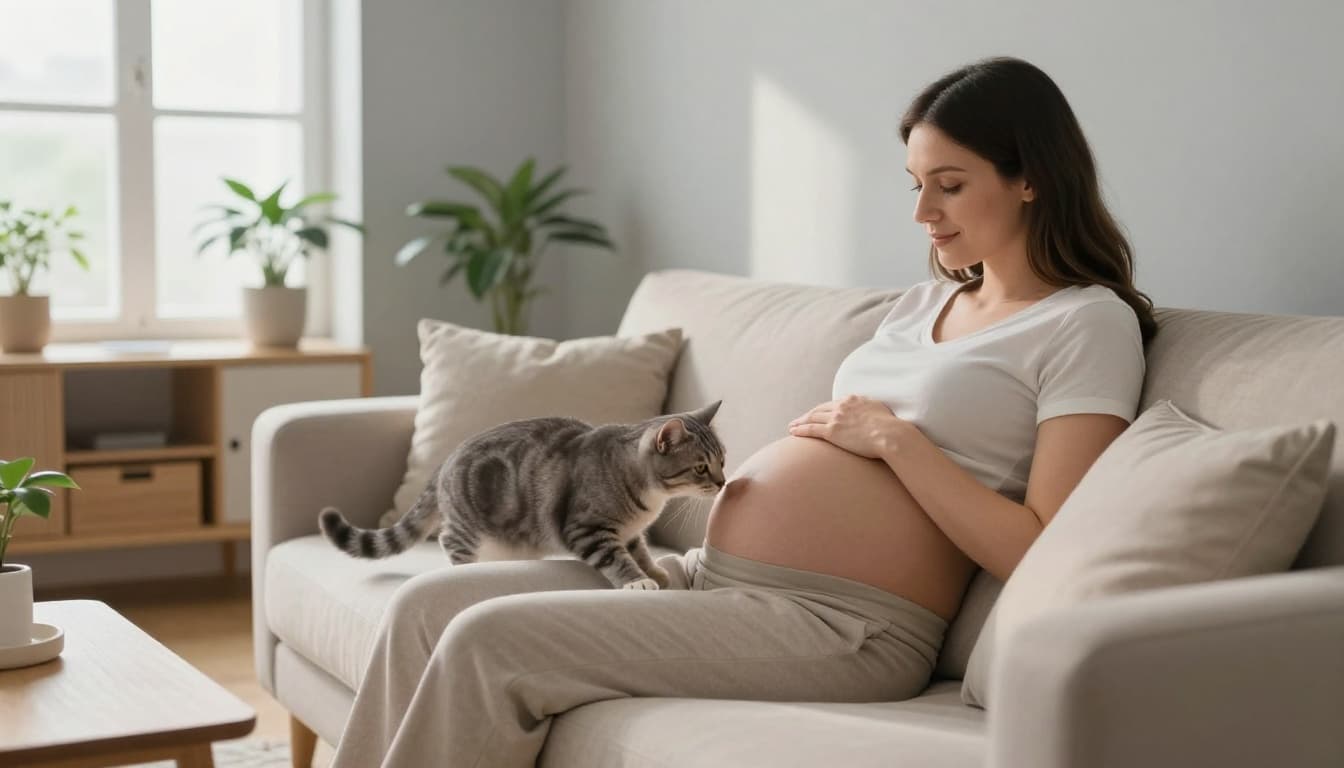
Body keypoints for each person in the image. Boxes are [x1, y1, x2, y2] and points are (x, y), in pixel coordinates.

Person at [329, 56, 1155, 768]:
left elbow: (1042, 543)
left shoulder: (1086, 323)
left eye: (950, 185)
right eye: (915, 185)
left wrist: (897, 442)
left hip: (847, 626)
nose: (921, 212)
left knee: (487, 643)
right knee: (421, 608)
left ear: (1030, 177)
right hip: (714, 578)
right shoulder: (919, 305)